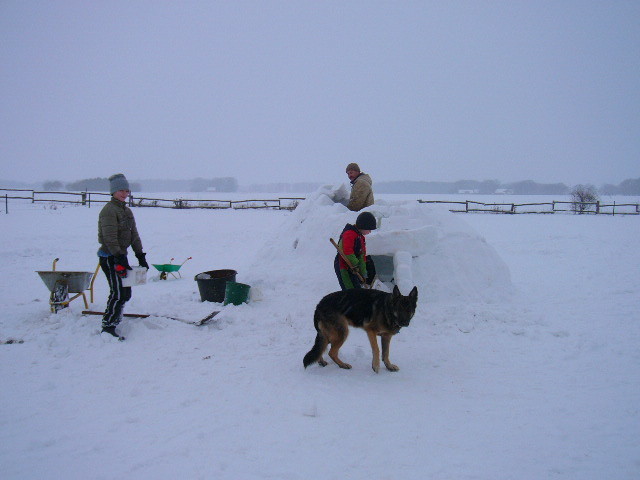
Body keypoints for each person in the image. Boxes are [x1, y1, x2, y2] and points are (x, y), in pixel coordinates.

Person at [97, 173, 149, 340]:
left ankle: (116, 317)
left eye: (126, 190)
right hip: (110, 256)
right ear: (113, 191)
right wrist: (119, 256)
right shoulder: (108, 211)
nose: (124, 193)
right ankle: (108, 325)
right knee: (118, 292)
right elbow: (109, 237)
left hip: (121, 256)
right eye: (120, 190)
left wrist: (140, 255)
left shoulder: (126, 211)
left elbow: (134, 235)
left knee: (126, 293)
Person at [334, 211, 377, 290]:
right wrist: (356, 266)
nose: (370, 232)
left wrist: (363, 272)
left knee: (356, 289)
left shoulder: (360, 237)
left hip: (353, 267)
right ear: (363, 226)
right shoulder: (349, 234)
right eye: (369, 229)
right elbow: (347, 252)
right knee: (350, 289)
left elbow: (362, 256)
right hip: (344, 266)